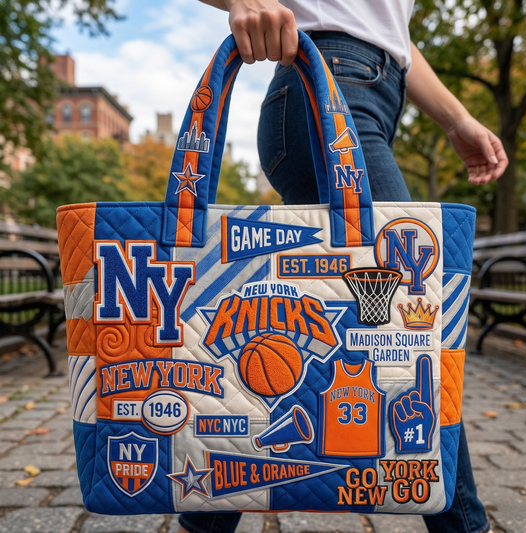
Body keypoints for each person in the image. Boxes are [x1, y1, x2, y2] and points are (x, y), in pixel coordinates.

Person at [178, 2, 508, 533]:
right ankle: (465, 526)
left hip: (370, 92)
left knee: (396, 328)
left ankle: (208, 509)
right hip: (331, 89)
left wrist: (456, 118)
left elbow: (387, 31)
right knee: (414, 331)